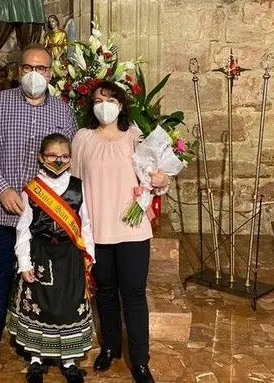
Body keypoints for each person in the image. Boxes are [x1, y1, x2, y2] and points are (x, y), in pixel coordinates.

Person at [0, 44, 78, 376]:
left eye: (41, 68)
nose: (34, 74)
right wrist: (2, 188)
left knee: (44, 282)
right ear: (19, 70)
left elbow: (70, 157)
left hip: (45, 218)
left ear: (51, 73)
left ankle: (45, 348)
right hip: (2, 211)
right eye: (28, 68)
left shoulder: (62, 111)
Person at [71, 81, 169, 383]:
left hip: (132, 229)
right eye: (98, 100)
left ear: (122, 105)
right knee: (105, 292)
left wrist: (161, 180)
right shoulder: (83, 138)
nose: (104, 105)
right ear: (91, 106)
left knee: (134, 294)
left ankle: (140, 361)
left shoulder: (135, 137)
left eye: (111, 100)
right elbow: (74, 184)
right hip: (98, 229)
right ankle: (111, 346)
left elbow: (153, 180)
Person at [9, 133, 94, 383]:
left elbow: (86, 224)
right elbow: (23, 228)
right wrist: (24, 262)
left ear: (71, 159)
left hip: (70, 255)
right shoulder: (32, 189)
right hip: (41, 254)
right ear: (41, 157)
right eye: (52, 156)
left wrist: (90, 256)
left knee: (68, 305)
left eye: (64, 156)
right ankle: (36, 360)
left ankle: (69, 362)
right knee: (41, 305)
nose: (58, 160)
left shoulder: (78, 187)